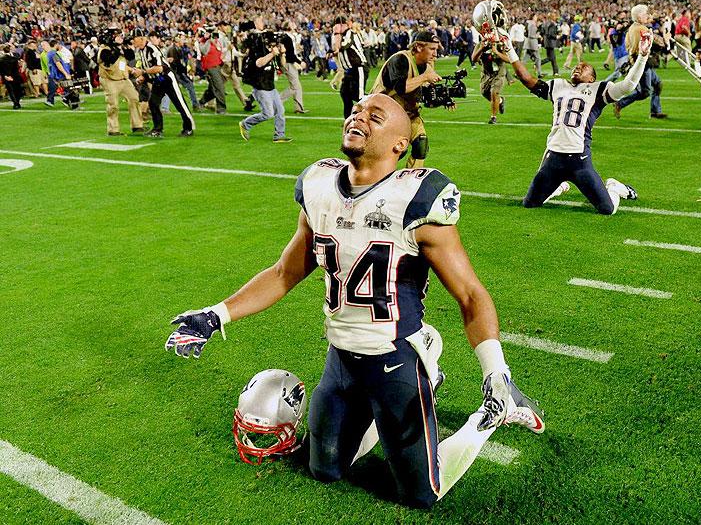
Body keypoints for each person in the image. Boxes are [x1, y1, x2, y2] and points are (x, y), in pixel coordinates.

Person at [164, 92, 544, 509]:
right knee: (324, 469)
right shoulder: (318, 185)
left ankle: (489, 413)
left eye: (375, 117)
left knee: (420, 495)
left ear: (400, 145)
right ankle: (427, 378)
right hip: (341, 359)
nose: (358, 117)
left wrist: (495, 370)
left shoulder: (417, 197)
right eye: (357, 110)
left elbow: (470, 293)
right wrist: (216, 315)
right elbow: (284, 273)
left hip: (394, 357)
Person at [496, 33, 651, 215]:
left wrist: (642, 56)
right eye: (576, 66)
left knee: (607, 209)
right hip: (553, 158)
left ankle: (615, 187)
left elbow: (629, 85)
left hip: (579, 161)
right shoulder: (558, 85)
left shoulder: (599, 90)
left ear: (592, 78)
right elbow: (527, 80)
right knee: (530, 203)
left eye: (583, 67)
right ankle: (558, 187)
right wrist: (510, 50)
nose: (578, 68)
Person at [370, 31, 443, 169]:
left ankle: (411, 182)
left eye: (436, 49)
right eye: (432, 49)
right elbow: (401, 88)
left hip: (408, 113)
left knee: (421, 145)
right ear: (419, 47)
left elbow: (422, 95)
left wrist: (442, 100)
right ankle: (376, 177)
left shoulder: (427, 66)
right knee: (393, 151)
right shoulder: (400, 59)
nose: (435, 54)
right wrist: (425, 77)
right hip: (383, 113)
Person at [134, 30, 195, 138]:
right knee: (153, 103)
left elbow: (159, 68)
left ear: (141, 38)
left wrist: (143, 72)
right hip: (157, 81)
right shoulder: (141, 51)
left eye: (134, 38)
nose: (133, 41)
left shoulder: (152, 48)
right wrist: (143, 77)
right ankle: (157, 129)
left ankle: (188, 128)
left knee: (179, 103)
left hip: (167, 79)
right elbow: (148, 68)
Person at [240, 16, 291, 143]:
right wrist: (272, 54)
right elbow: (259, 63)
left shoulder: (270, 50)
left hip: (270, 85)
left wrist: (282, 53)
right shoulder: (258, 48)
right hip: (260, 86)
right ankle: (245, 124)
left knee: (280, 110)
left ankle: (279, 135)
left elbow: (281, 66)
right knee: (267, 114)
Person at [613, 4, 668, 120]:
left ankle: (655, 111)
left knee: (657, 84)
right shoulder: (640, 29)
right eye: (645, 14)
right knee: (645, 92)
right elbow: (657, 44)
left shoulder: (633, 27)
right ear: (638, 16)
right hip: (642, 63)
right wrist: (663, 40)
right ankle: (620, 103)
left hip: (642, 62)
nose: (648, 16)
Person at [97, 27, 144, 136]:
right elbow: (110, 59)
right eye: (117, 35)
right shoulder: (104, 49)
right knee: (113, 105)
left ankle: (137, 125)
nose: (120, 37)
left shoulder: (120, 47)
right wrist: (118, 49)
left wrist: (124, 47)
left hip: (123, 78)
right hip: (109, 80)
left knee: (134, 98)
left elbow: (131, 56)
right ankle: (113, 129)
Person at [336, 19, 368, 120]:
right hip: (350, 70)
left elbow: (344, 45)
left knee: (359, 96)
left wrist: (336, 39)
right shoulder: (342, 35)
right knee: (345, 93)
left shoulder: (349, 33)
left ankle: (367, 118)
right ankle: (348, 119)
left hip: (359, 67)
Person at [472, 35, 507, 124]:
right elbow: (474, 59)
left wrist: (497, 52)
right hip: (486, 73)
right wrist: (481, 49)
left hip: (498, 73)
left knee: (494, 93)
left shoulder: (500, 43)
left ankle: (493, 117)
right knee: (484, 92)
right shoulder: (480, 44)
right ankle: (500, 101)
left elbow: (509, 59)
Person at [280, 22, 307, 114]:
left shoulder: (290, 37)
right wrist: (300, 62)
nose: (294, 24)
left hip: (290, 62)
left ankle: (299, 107)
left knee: (297, 86)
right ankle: (277, 102)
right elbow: (290, 55)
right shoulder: (286, 38)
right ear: (288, 27)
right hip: (288, 63)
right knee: (295, 87)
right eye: (292, 24)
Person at [0, 44, 22, 109]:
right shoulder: (15, 59)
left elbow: (0, 70)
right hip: (15, 76)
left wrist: (5, 76)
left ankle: (15, 103)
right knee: (17, 90)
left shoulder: (1, 59)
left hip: (7, 77)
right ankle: (17, 102)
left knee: (11, 90)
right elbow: (16, 68)